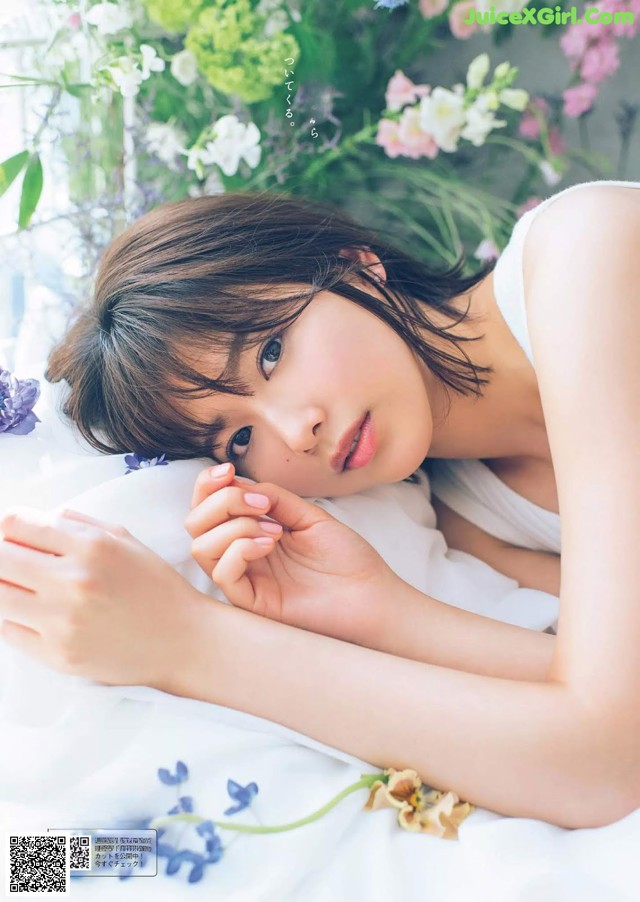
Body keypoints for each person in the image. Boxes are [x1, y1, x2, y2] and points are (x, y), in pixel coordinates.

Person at [1, 180, 639, 829]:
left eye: (271, 351)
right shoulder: (471, 522)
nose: (292, 430)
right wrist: (383, 611)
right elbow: (610, 704)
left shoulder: (584, 254)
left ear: (356, 266)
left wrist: (193, 645)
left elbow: (607, 756)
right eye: (240, 440)